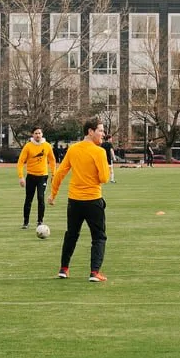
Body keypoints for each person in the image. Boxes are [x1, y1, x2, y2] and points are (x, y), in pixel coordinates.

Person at [50, 117, 112, 282]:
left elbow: (60, 172)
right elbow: (104, 178)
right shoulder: (99, 152)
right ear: (90, 132)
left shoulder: (73, 149)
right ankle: (94, 272)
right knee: (99, 237)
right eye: (100, 130)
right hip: (93, 200)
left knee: (71, 234)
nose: (103, 134)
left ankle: (63, 269)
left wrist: (53, 195)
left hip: (74, 201)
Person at [17, 126, 56, 228]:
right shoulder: (28, 146)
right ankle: (26, 222)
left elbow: (52, 160)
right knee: (28, 199)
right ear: (32, 135)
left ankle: (40, 221)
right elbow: (21, 162)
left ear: (42, 134)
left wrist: (53, 174)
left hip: (42, 176)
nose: (38, 135)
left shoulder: (47, 146)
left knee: (40, 197)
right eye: (36, 133)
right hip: (31, 176)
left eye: (39, 133)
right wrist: (21, 177)